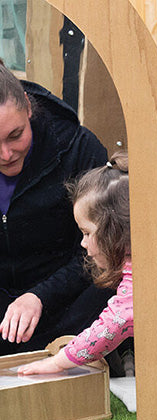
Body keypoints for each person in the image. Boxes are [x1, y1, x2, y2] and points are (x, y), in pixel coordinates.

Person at [0, 60, 111, 355]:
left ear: (28, 105)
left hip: (66, 302)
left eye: (15, 135)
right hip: (4, 312)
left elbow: (102, 250)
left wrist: (39, 296)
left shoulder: (79, 147)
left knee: (113, 280)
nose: (6, 154)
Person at [18, 154, 131, 376]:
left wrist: (58, 362)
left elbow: (110, 326)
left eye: (87, 233)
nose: (83, 242)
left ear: (115, 229)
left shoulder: (137, 278)